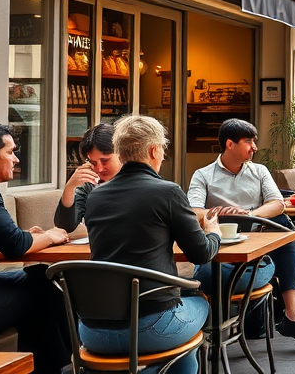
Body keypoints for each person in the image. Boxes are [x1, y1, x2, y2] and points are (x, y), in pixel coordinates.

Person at [82, 116, 220, 374]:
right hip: (149, 327)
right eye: (163, 149)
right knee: (200, 302)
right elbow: (201, 253)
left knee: (180, 332)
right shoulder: (167, 192)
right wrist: (214, 232)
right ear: (154, 150)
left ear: (120, 152)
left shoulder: (95, 196)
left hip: (92, 331)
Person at [187, 119, 295, 348]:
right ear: (230, 144)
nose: (254, 147)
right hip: (220, 252)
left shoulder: (259, 171)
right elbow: (193, 210)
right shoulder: (203, 175)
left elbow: (277, 203)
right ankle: (212, 330)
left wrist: (249, 214)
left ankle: (293, 316)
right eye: (248, 141)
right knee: (209, 274)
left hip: (257, 247)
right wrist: (220, 212)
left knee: (284, 230)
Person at [0, 124, 72, 374]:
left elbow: (10, 239)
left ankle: (57, 365)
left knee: (41, 276)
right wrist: (51, 236)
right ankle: (72, 361)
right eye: (10, 152)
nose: (16, 159)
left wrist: (27, 237)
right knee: (45, 289)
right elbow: (15, 245)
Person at [54, 123, 122, 232]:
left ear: (121, 155)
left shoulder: (139, 180)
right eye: (93, 162)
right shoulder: (90, 183)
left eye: (105, 161)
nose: (99, 169)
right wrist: (70, 187)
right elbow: (65, 226)